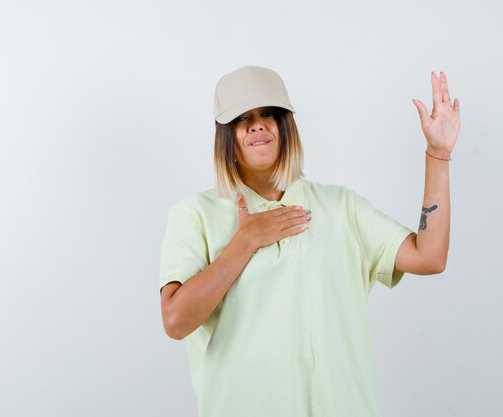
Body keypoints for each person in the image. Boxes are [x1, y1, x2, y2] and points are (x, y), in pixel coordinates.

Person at [158, 66, 460, 417]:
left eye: (268, 113)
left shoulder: (341, 207)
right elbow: (175, 321)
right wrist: (245, 241)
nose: (258, 125)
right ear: (226, 136)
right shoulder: (195, 213)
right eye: (243, 118)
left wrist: (437, 156)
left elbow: (430, 257)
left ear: (286, 126)